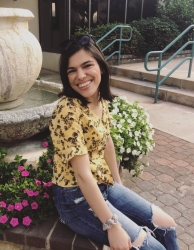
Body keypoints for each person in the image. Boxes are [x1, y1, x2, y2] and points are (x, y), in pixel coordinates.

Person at [49, 34, 179, 250]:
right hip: (76, 200)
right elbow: (81, 174)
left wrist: (117, 183)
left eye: (86, 65)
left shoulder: (97, 99)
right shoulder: (67, 111)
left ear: (100, 67)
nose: (80, 76)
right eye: (72, 70)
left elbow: (106, 141)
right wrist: (112, 225)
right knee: (153, 248)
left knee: (167, 226)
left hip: (104, 185)